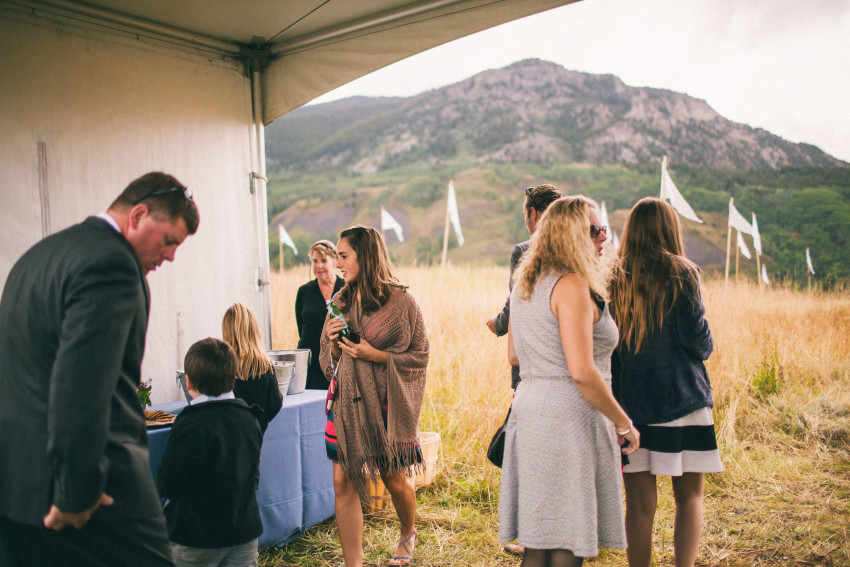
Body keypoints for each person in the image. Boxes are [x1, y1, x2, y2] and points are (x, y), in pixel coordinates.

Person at [0, 172, 199, 567]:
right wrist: (77, 491)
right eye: (170, 240)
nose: (172, 255)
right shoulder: (113, 266)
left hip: (17, 490)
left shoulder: (36, 257)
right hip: (95, 493)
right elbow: (81, 387)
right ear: (138, 214)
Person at [499, 196, 640, 567]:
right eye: (594, 231)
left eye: (604, 230)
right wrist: (623, 422)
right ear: (570, 234)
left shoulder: (525, 282)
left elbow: (514, 356)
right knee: (565, 539)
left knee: (540, 537)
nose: (602, 240)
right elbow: (581, 371)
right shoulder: (572, 284)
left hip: (529, 409)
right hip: (567, 417)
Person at [609, 197, 722, 567]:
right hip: (683, 402)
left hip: (632, 410)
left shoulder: (613, 276)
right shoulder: (683, 272)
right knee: (689, 497)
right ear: (669, 229)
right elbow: (699, 343)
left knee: (640, 507)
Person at [319, 225, 429, 567]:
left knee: (392, 476)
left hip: (384, 403)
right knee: (342, 479)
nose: (338, 263)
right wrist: (334, 343)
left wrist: (376, 355)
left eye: (343, 256)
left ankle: (408, 532)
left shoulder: (402, 302)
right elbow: (329, 359)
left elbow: (420, 356)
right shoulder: (340, 301)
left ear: (364, 258)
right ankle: (354, 563)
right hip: (344, 402)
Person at [157, 338, 267, 567]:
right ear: (233, 377)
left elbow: (168, 483)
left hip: (196, 537)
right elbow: (253, 476)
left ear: (187, 382)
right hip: (243, 531)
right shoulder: (250, 418)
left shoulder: (189, 424)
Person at [487, 184, 563, 391]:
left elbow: (517, 303)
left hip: (531, 362)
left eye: (525, 215)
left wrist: (497, 324)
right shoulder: (578, 250)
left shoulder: (524, 251)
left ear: (534, 214)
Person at [295, 240, 345, 390]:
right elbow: (300, 326)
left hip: (338, 358)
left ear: (335, 261)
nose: (319, 266)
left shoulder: (346, 288)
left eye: (324, 261)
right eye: (314, 261)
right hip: (310, 360)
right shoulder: (304, 291)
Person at [223, 302, 283, 422]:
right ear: (254, 330)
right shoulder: (265, 365)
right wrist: (260, 423)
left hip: (228, 433)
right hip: (255, 434)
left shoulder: (222, 366)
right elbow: (275, 404)